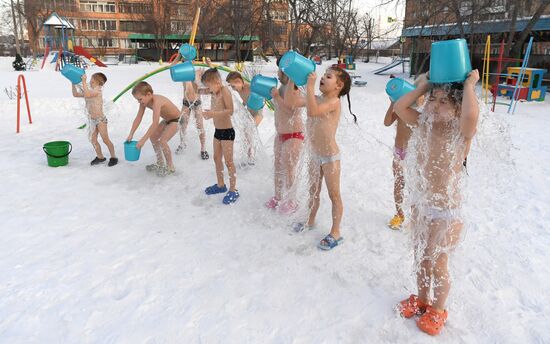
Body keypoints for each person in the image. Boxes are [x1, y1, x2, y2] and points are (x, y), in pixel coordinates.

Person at [393, 70, 479, 336]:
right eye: (433, 100)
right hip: (423, 205)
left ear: (456, 109)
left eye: (444, 102)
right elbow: (399, 107)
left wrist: (469, 87)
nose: (435, 105)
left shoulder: (460, 132)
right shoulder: (422, 123)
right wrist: (425, 87)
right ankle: (421, 299)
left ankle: (439, 310)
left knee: (438, 261)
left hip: (447, 211)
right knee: (421, 258)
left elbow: (471, 116)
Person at [293, 67, 356, 251]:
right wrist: (292, 80)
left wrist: (310, 86)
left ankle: (336, 232)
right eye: (323, 75)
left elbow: (313, 112)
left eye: (328, 76)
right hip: (314, 154)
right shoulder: (318, 99)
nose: (322, 78)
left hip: (330, 157)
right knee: (313, 190)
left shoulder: (334, 102)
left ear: (339, 85)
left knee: (334, 195)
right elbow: (293, 101)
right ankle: (310, 220)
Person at [265, 58, 306, 214]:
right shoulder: (282, 88)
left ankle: (292, 200)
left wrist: (276, 96)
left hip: (294, 135)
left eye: (281, 70)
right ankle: (277, 196)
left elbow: (290, 106)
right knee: (278, 167)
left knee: (289, 168)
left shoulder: (294, 90)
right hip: (281, 134)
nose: (278, 73)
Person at [384, 79, 425, 230]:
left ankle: (417, 216)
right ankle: (399, 214)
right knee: (398, 183)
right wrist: (392, 103)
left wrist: (420, 98)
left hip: (414, 155)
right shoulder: (402, 109)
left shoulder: (421, 113)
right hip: (399, 152)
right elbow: (387, 122)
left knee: (415, 186)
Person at [200, 68, 239, 204]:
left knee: (229, 161)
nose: (208, 89)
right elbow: (197, 91)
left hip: (227, 132)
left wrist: (212, 114)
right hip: (218, 131)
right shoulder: (214, 92)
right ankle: (221, 185)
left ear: (216, 82)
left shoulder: (224, 91)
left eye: (208, 86)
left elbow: (230, 111)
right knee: (217, 158)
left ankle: (234, 190)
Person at [126, 81, 181, 176]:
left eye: (140, 99)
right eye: (137, 100)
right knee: (153, 137)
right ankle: (160, 163)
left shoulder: (157, 102)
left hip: (177, 120)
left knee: (163, 141)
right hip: (167, 119)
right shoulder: (144, 102)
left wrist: (143, 140)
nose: (139, 102)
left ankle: (170, 167)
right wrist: (131, 133)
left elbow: (155, 123)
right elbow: (138, 117)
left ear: (148, 94)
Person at [72, 72, 117, 166]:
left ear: (99, 83)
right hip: (92, 120)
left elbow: (88, 94)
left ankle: (113, 157)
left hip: (100, 120)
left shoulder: (98, 90)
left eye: (92, 81)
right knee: (93, 140)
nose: (90, 82)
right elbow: (75, 94)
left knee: (105, 139)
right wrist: (73, 82)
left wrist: (83, 81)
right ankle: (100, 157)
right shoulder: (89, 90)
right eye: (90, 81)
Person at [176, 80, 209, 160]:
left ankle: (203, 149)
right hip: (186, 103)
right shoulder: (184, 74)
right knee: (182, 125)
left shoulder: (196, 74)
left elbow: (203, 85)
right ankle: (182, 144)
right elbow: (173, 67)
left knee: (200, 126)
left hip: (197, 103)